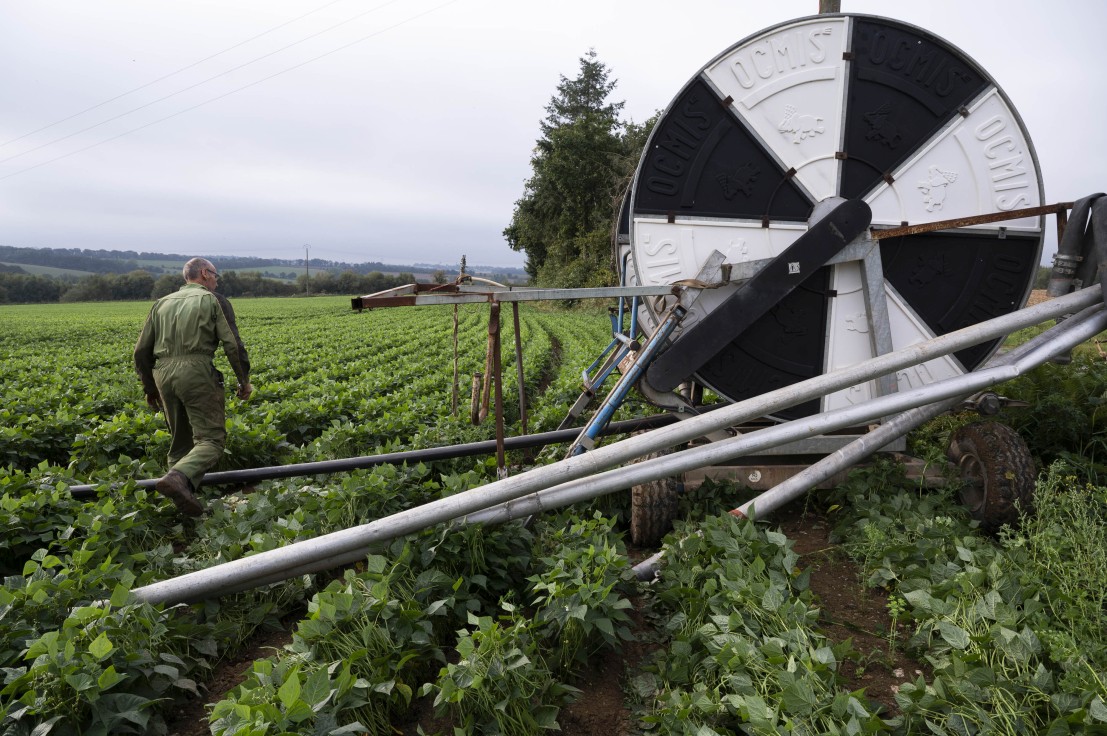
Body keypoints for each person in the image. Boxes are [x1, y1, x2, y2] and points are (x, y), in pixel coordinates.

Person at [134, 258, 253, 516]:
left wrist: (150, 388)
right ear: (204, 274)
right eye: (215, 275)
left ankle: (181, 510)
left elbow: (141, 351)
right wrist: (244, 380)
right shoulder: (214, 300)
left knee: (180, 444)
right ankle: (178, 479)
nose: (217, 280)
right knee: (211, 441)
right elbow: (232, 344)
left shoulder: (161, 303)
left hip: (162, 374)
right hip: (196, 370)